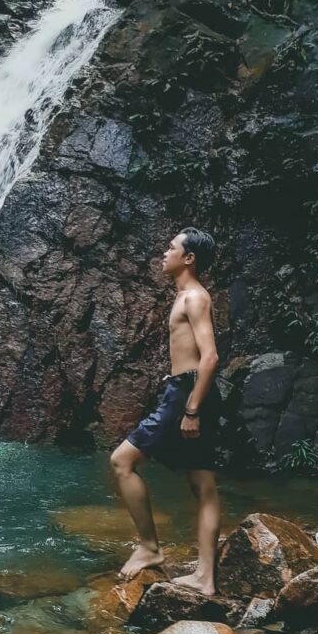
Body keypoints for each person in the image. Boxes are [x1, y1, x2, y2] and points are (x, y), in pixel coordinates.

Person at [110, 226, 222, 593]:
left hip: (187, 394)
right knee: (202, 484)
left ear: (189, 258)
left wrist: (190, 410)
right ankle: (205, 578)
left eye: (171, 247)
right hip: (185, 390)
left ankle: (149, 548)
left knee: (121, 461)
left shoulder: (194, 298)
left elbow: (210, 358)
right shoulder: (187, 296)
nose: (164, 252)